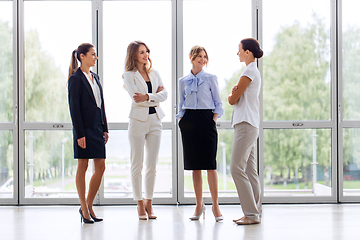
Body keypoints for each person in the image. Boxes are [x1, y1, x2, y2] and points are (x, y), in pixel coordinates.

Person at [177, 45, 224, 222]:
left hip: (206, 120)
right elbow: (181, 104)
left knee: (210, 166)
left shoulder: (211, 78)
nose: (202, 59)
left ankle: (215, 206)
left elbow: (218, 103)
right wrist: (182, 120)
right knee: (195, 166)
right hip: (189, 121)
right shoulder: (183, 81)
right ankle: (199, 204)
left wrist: (212, 120)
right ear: (191, 57)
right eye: (199, 56)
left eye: (205, 57)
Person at [123, 41, 167, 220]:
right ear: (134, 55)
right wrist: (155, 97)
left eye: (147, 51)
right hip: (137, 122)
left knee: (152, 165)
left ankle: (149, 201)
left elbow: (164, 95)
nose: (145, 54)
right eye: (141, 52)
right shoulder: (128, 75)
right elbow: (136, 99)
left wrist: (149, 96)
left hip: (155, 120)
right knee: (137, 164)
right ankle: (139, 203)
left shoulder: (154, 73)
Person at [68, 43, 109, 224]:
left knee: (101, 167)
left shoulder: (95, 77)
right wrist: (79, 134)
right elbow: (74, 108)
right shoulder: (75, 79)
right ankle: (84, 208)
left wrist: (105, 127)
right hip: (83, 129)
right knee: (83, 167)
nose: (96, 57)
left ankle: (88, 204)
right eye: (93, 54)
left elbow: (101, 103)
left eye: (96, 54)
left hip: (97, 128)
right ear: (82, 56)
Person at [228, 38, 263, 225]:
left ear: (248, 52)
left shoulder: (249, 71)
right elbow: (238, 95)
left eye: (239, 50)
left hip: (245, 125)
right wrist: (235, 92)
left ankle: (251, 214)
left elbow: (232, 99)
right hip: (250, 124)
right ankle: (255, 213)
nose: (238, 53)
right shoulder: (253, 71)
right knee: (250, 171)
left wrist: (231, 93)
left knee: (236, 168)